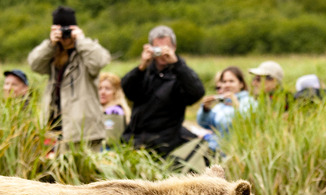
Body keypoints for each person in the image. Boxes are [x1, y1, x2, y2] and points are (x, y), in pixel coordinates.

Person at [28, 5, 111, 151]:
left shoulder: (85, 51)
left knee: (84, 174)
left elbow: (100, 61)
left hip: (84, 132)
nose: (65, 35)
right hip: (55, 129)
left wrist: (81, 40)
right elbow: (34, 64)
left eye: (68, 29)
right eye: (61, 30)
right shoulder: (53, 54)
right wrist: (50, 43)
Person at [121, 25, 205, 158]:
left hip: (167, 141)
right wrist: (141, 67)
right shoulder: (144, 72)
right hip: (137, 138)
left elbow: (197, 92)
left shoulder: (180, 73)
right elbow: (127, 90)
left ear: (174, 47)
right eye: (157, 48)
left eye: (166, 48)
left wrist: (177, 65)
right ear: (149, 48)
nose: (162, 53)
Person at [196, 66, 256, 137]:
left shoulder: (250, 102)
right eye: (224, 82)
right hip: (216, 144)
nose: (227, 85)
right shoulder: (222, 104)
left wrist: (236, 105)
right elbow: (205, 124)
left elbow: (250, 124)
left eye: (231, 81)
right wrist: (205, 109)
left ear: (241, 84)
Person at [98, 72, 131, 140]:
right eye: (100, 88)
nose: (102, 92)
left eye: (107, 89)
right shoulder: (101, 109)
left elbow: (110, 140)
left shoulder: (114, 111)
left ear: (115, 92)